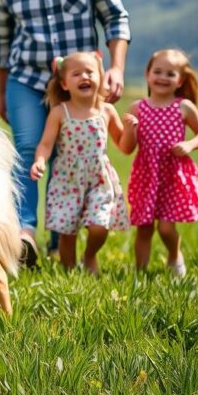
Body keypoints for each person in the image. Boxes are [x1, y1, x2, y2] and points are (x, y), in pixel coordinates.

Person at [0, 0, 131, 268]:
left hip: (77, 84)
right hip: (26, 77)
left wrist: (115, 68)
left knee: (65, 156)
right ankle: (24, 234)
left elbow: (116, 18)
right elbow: (3, 42)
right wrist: (3, 92)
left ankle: (59, 240)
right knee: (27, 151)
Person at [30, 52, 130, 274]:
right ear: (65, 84)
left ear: (100, 78)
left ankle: (89, 256)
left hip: (99, 179)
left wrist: (131, 130)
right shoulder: (59, 112)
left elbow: (124, 145)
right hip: (67, 180)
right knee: (67, 232)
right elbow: (46, 144)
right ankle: (69, 271)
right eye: (77, 74)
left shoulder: (107, 111)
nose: (84, 76)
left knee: (99, 227)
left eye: (89, 72)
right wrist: (39, 161)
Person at [120, 49, 198, 276]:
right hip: (146, 174)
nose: (163, 77)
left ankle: (174, 256)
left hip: (173, 174)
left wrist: (190, 145)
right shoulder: (137, 108)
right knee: (144, 227)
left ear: (180, 80)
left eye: (170, 74)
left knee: (165, 226)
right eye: (158, 71)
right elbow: (126, 148)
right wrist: (131, 130)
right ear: (147, 74)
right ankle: (140, 273)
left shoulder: (184, 107)